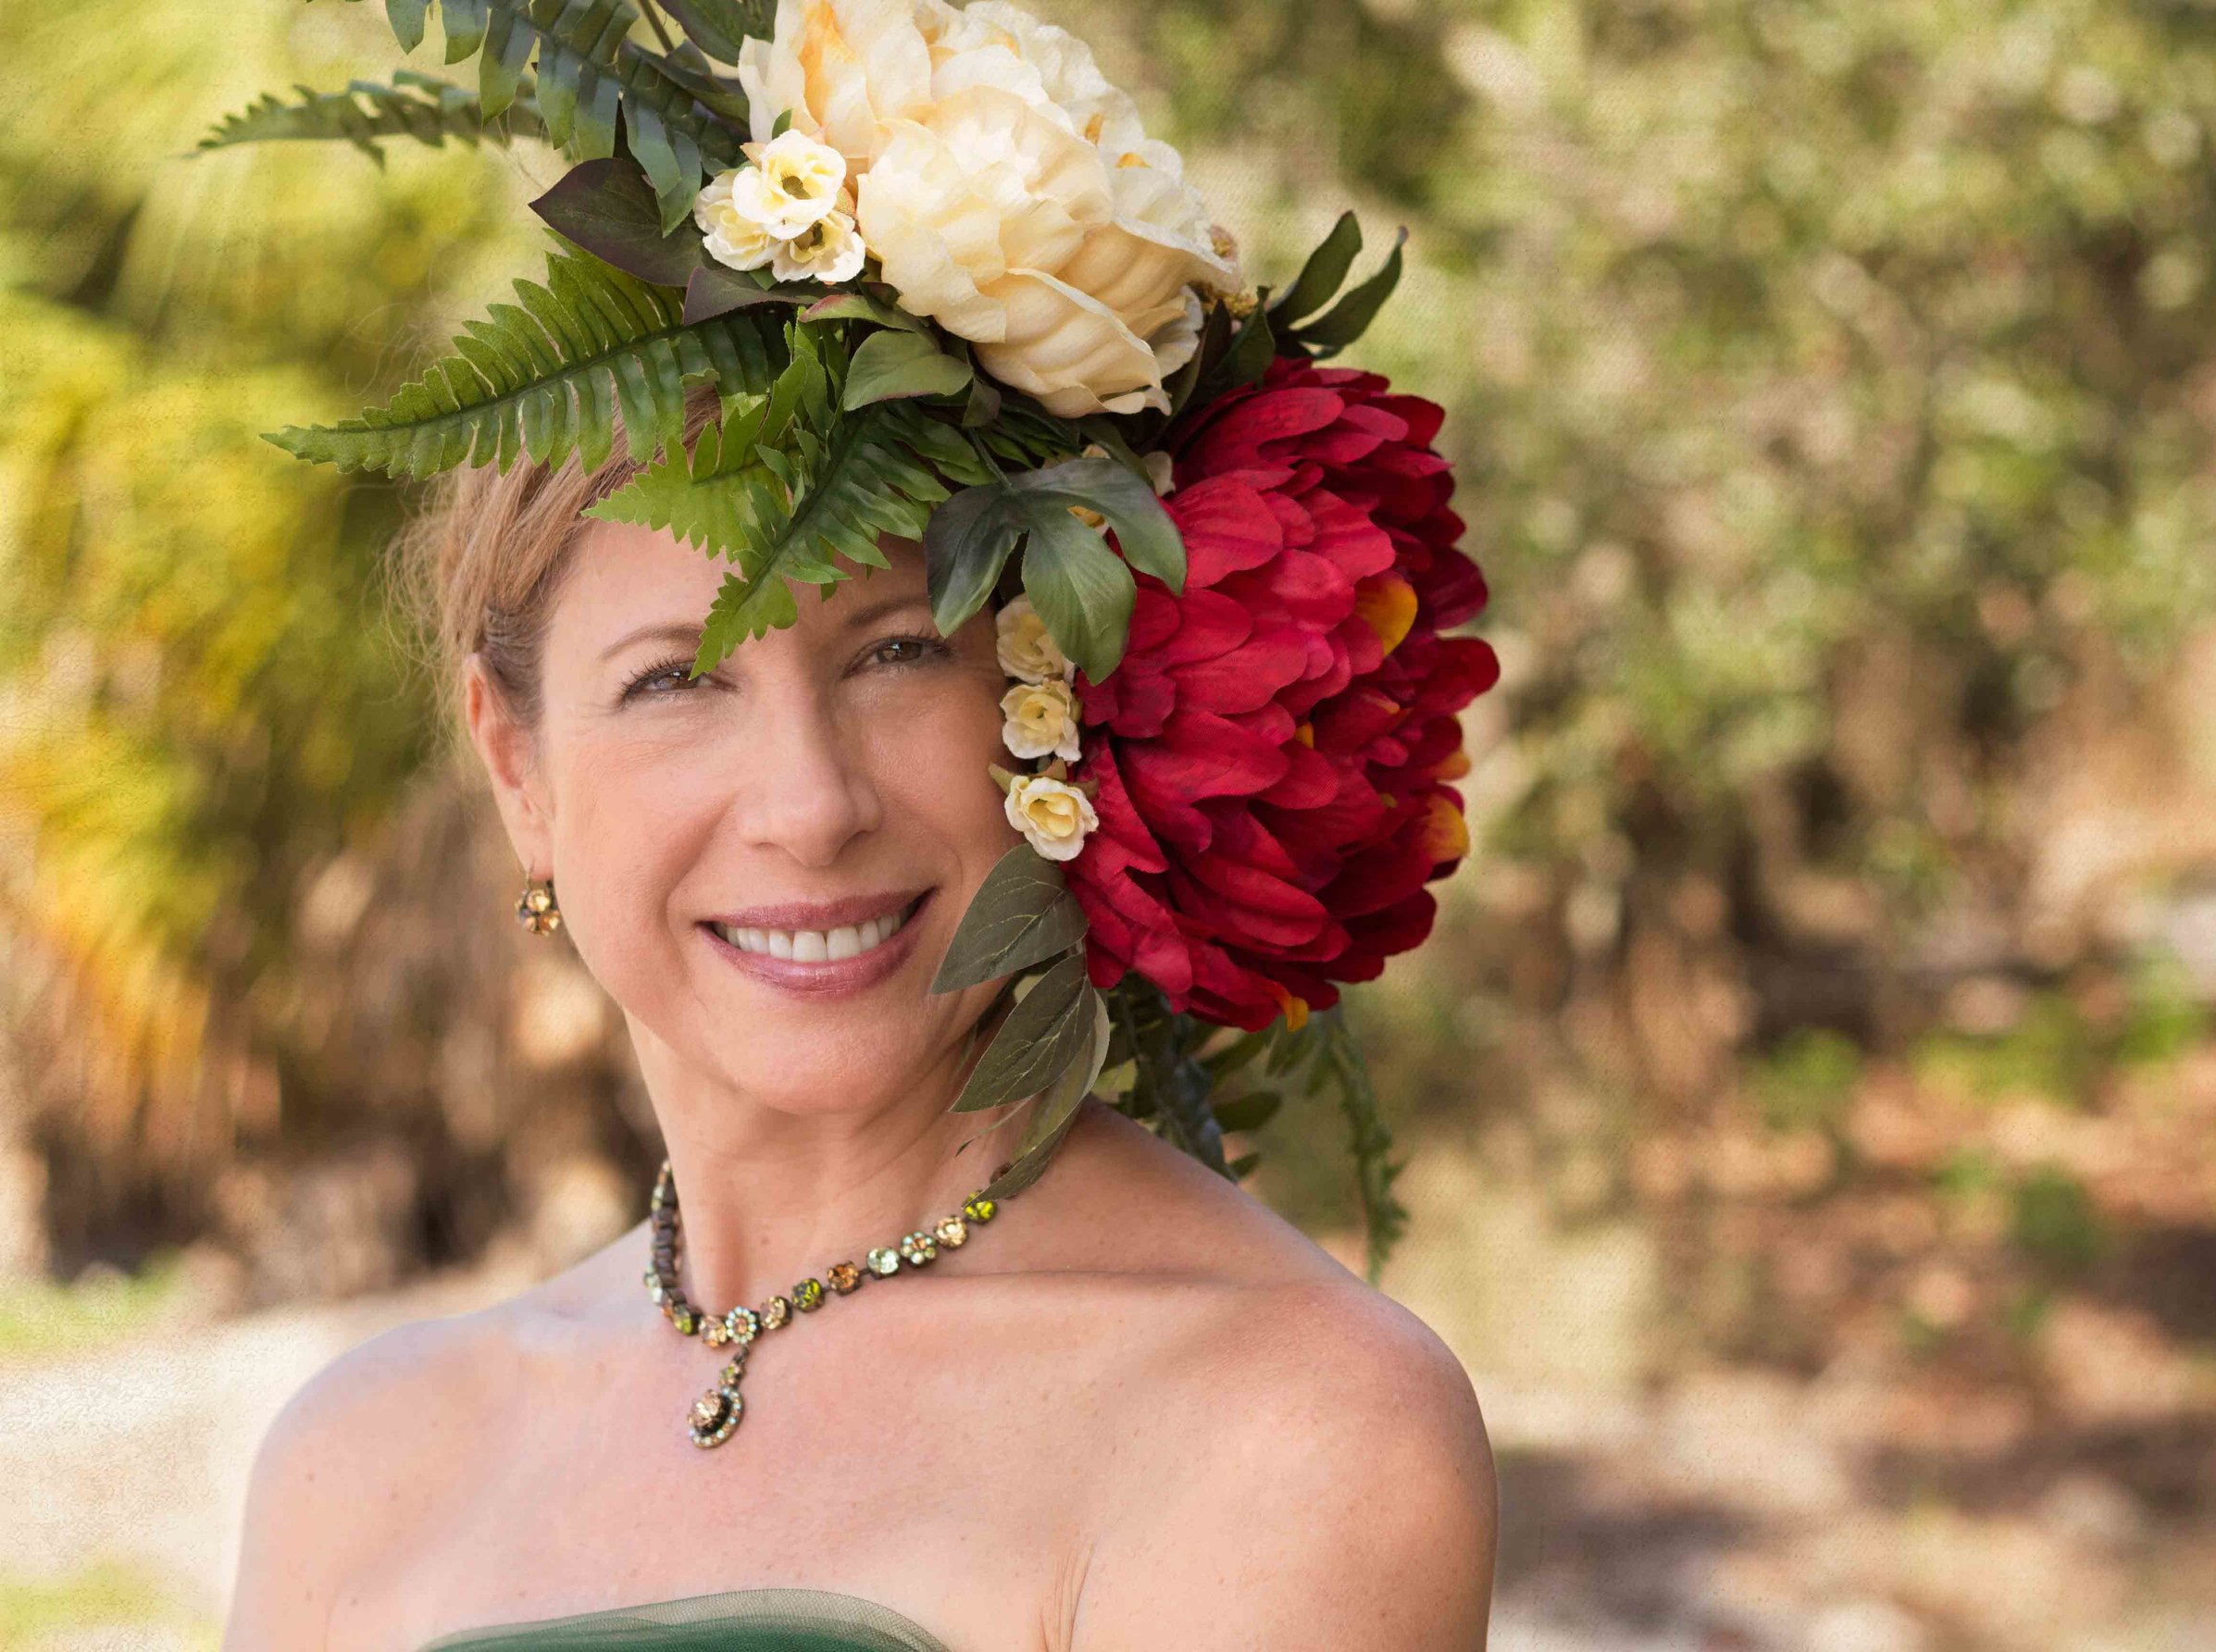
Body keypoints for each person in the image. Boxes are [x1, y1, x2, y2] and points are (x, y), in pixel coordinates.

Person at [206, 2, 1504, 1644]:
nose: (810, 807)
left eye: (895, 652)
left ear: (1059, 693)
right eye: (677, 681)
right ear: (516, 770)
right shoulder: (360, 1460)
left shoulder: (1291, 1420)